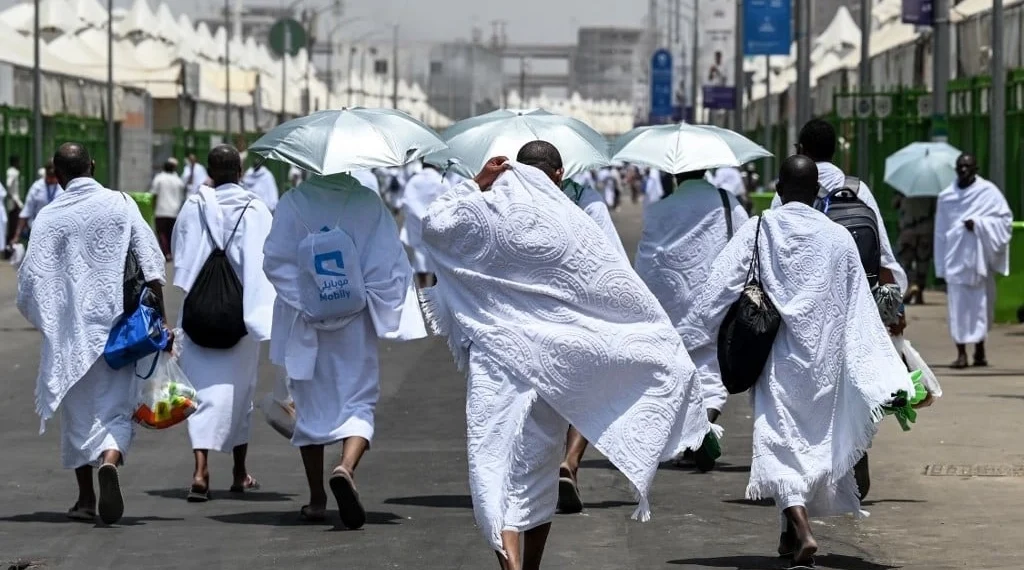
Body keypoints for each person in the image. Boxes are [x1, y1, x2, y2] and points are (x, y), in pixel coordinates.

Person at [419, 154, 712, 570]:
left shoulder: (487, 210)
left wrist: (477, 182)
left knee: (493, 463)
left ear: (511, 169)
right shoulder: (573, 223)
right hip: (553, 362)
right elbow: (615, 283)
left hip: (496, 358)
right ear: (560, 174)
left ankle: (511, 566)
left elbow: (434, 223)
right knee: (539, 472)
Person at [680, 155, 913, 567]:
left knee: (778, 441)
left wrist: (690, 334)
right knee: (811, 446)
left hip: (778, 359)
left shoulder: (760, 229)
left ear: (779, 190)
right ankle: (789, 534)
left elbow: (717, 287)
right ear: (817, 194)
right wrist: (885, 373)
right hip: (824, 365)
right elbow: (860, 309)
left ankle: (802, 530)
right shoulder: (839, 238)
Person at [263, 170, 426, 527]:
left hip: (307, 323)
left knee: (307, 406)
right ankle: (345, 467)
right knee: (359, 401)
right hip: (355, 323)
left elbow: (274, 261)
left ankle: (317, 498)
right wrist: (374, 303)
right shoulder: (368, 202)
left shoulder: (292, 202)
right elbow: (390, 263)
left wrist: (307, 300)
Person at [17, 142, 166, 525]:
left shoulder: (49, 217)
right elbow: (150, 260)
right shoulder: (120, 202)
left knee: (77, 415)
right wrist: (161, 322)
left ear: (57, 174)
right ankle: (111, 459)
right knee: (116, 408)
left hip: (70, 336)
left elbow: (30, 281)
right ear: (93, 166)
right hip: (119, 332)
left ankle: (85, 498)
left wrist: (50, 319)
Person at [513, 142, 629, 517]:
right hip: (579, 312)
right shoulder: (586, 199)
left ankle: (530, 477)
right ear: (560, 172)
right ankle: (570, 462)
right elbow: (612, 258)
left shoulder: (506, 199)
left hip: (527, 315)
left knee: (533, 395)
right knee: (588, 390)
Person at [172, 145, 276, 501]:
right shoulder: (257, 209)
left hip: (199, 312)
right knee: (240, 392)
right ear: (241, 171)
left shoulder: (193, 206)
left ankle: (200, 470)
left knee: (197, 393)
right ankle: (239, 471)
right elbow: (267, 261)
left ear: (210, 172)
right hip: (241, 314)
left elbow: (181, 255)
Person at [634, 167, 749, 472]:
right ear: (707, 170)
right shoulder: (727, 201)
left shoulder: (660, 209)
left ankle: (694, 435)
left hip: (672, 303)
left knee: (681, 370)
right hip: (716, 299)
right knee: (711, 368)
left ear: (674, 175)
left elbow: (647, 258)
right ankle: (706, 423)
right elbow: (746, 243)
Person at [778, 119, 909, 295]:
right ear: (834, 151)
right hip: (852, 295)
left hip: (800, 294)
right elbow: (882, 255)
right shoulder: (858, 190)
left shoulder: (788, 189)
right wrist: (896, 309)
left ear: (801, 149)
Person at [933, 154, 1013, 369]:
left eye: (968, 166)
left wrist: (979, 224)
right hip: (956, 260)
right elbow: (940, 232)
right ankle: (961, 353)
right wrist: (940, 265)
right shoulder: (946, 197)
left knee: (981, 308)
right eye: (960, 166)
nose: (963, 170)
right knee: (957, 309)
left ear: (976, 168)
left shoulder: (988, 192)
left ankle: (979, 349)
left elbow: (1005, 221)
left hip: (979, 262)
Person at [400, 161, 448, 288]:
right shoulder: (442, 181)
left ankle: (422, 294)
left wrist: (417, 219)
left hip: (417, 227)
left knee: (420, 260)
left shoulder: (414, 181)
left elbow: (406, 203)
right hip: (438, 227)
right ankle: (434, 294)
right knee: (436, 262)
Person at [895, 192, 936, 305]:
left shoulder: (903, 188)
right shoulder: (931, 191)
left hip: (908, 230)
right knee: (923, 261)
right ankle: (919, 293)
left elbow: (895, 204)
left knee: (905, 261)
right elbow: (935, 209)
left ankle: (912, 284)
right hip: (926, 230)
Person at [13, 161, 63, 244]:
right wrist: (17, 236)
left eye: (54, 176)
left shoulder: (63, 187)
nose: (51, 179)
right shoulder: (37, 187)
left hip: (57, 232)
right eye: (49, 176)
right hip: (38, 232)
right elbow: (26, 212)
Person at [150, 158, 187, 260]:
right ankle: (170, 252)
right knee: (171, 234)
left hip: (161, 210)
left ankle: (165, 253)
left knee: (161, 233)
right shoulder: (178, 181)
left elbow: (154, 194)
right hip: (174, 211)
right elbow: (181, 196)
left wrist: (153, 207)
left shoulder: (159, 178)